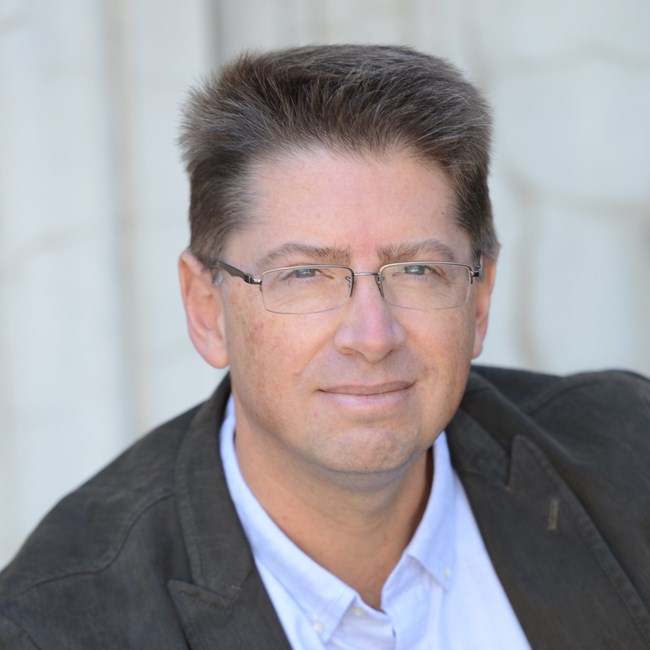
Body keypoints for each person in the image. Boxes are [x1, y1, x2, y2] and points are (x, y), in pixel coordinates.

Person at [1, 44, 649, 650]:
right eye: (304, 274)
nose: (372, 337)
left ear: (478, 300)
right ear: (207, 310)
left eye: (418, 270)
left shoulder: (630, 455)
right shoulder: (57, 624)